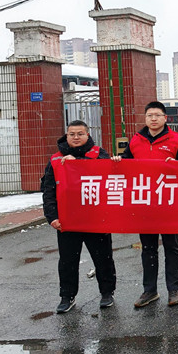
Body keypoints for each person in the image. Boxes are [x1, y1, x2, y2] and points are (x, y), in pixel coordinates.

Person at [112, 101, 178, 308]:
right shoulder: (136, 140)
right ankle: (150, 291)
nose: (153, 119)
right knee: (148, 248)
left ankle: (173, 290)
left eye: (157, 115)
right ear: (145, 118)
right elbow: (126, 166)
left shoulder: (176, 140)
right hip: (145, 204)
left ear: (165, 118)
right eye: (150, 115)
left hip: (169, 204)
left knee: (171, 247)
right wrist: (118, 161)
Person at [41, 120, 116, 314]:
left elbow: (110, 179)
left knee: (103, 258)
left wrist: (79, 163)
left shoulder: (99, 154)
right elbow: (48, 191)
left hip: (96, 219)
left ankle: (107, 293)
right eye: (72, 134)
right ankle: (67, 297)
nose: (76, 137)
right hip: (68, 220)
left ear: (87, 135)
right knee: (67, 261)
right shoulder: (56, 160)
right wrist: (52, 217)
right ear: (66, 136)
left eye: (80, 134)